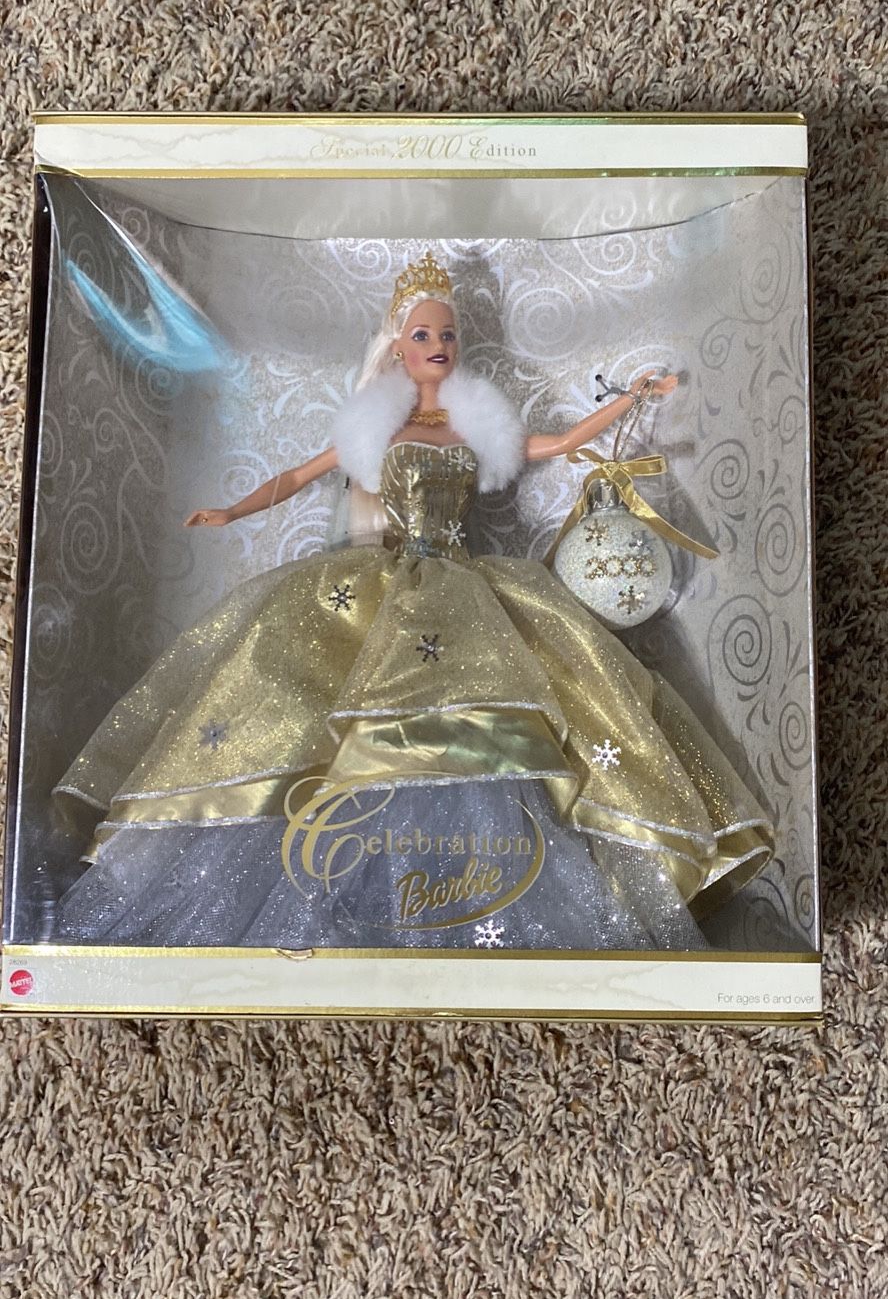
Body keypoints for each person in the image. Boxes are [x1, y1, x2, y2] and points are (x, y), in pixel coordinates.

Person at [55, 251, 773, 949]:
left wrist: (630, 398)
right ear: (397, 347)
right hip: (387, 582)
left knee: (508, 715)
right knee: (312, 698)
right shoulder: (378, 429)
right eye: (423, 334)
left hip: (465, 586)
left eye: (448, 334)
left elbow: (559, 444)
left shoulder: (476, 427)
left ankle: (475, 892)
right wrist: (230, 512)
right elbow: (298, 476)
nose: (438, 346)